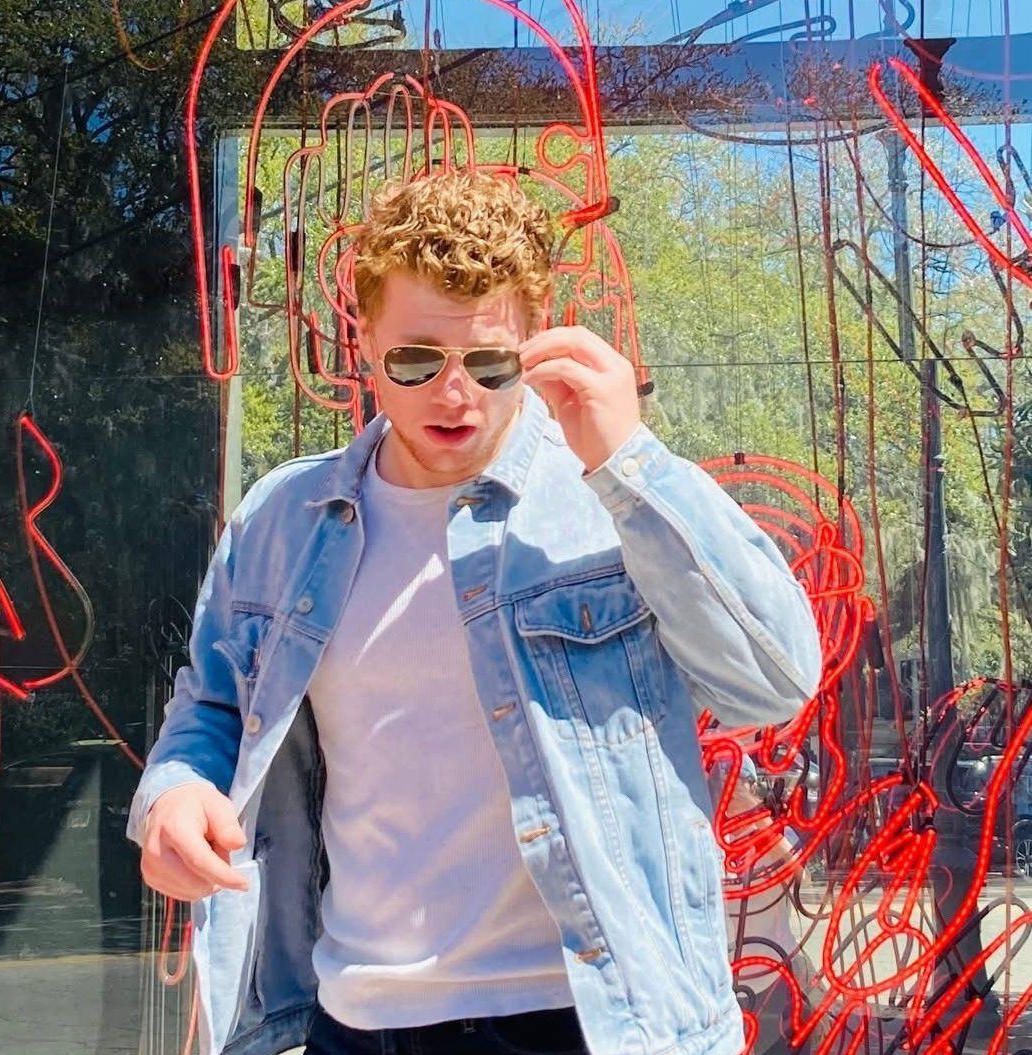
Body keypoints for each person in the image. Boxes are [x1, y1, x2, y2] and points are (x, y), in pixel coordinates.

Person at [127, 168, 822, 1055]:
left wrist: (632, 462)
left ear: (534, 341)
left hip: (588, 1020)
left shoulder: (607, 498)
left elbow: (775, 682)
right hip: (355, 1020)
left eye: (488, 364)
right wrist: (177, 791)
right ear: (363, 339)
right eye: (416, 360)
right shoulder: (283, 518)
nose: (453, 394)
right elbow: (214, 705)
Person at [708, 754, 829, 1055]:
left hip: (780, 974)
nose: (728, 796)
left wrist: (756, 819)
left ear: (754, 788)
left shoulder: (774, 834)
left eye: (736, 786)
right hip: (727, 983)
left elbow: (803, 880)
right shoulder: (705, 841)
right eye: (720, 788)